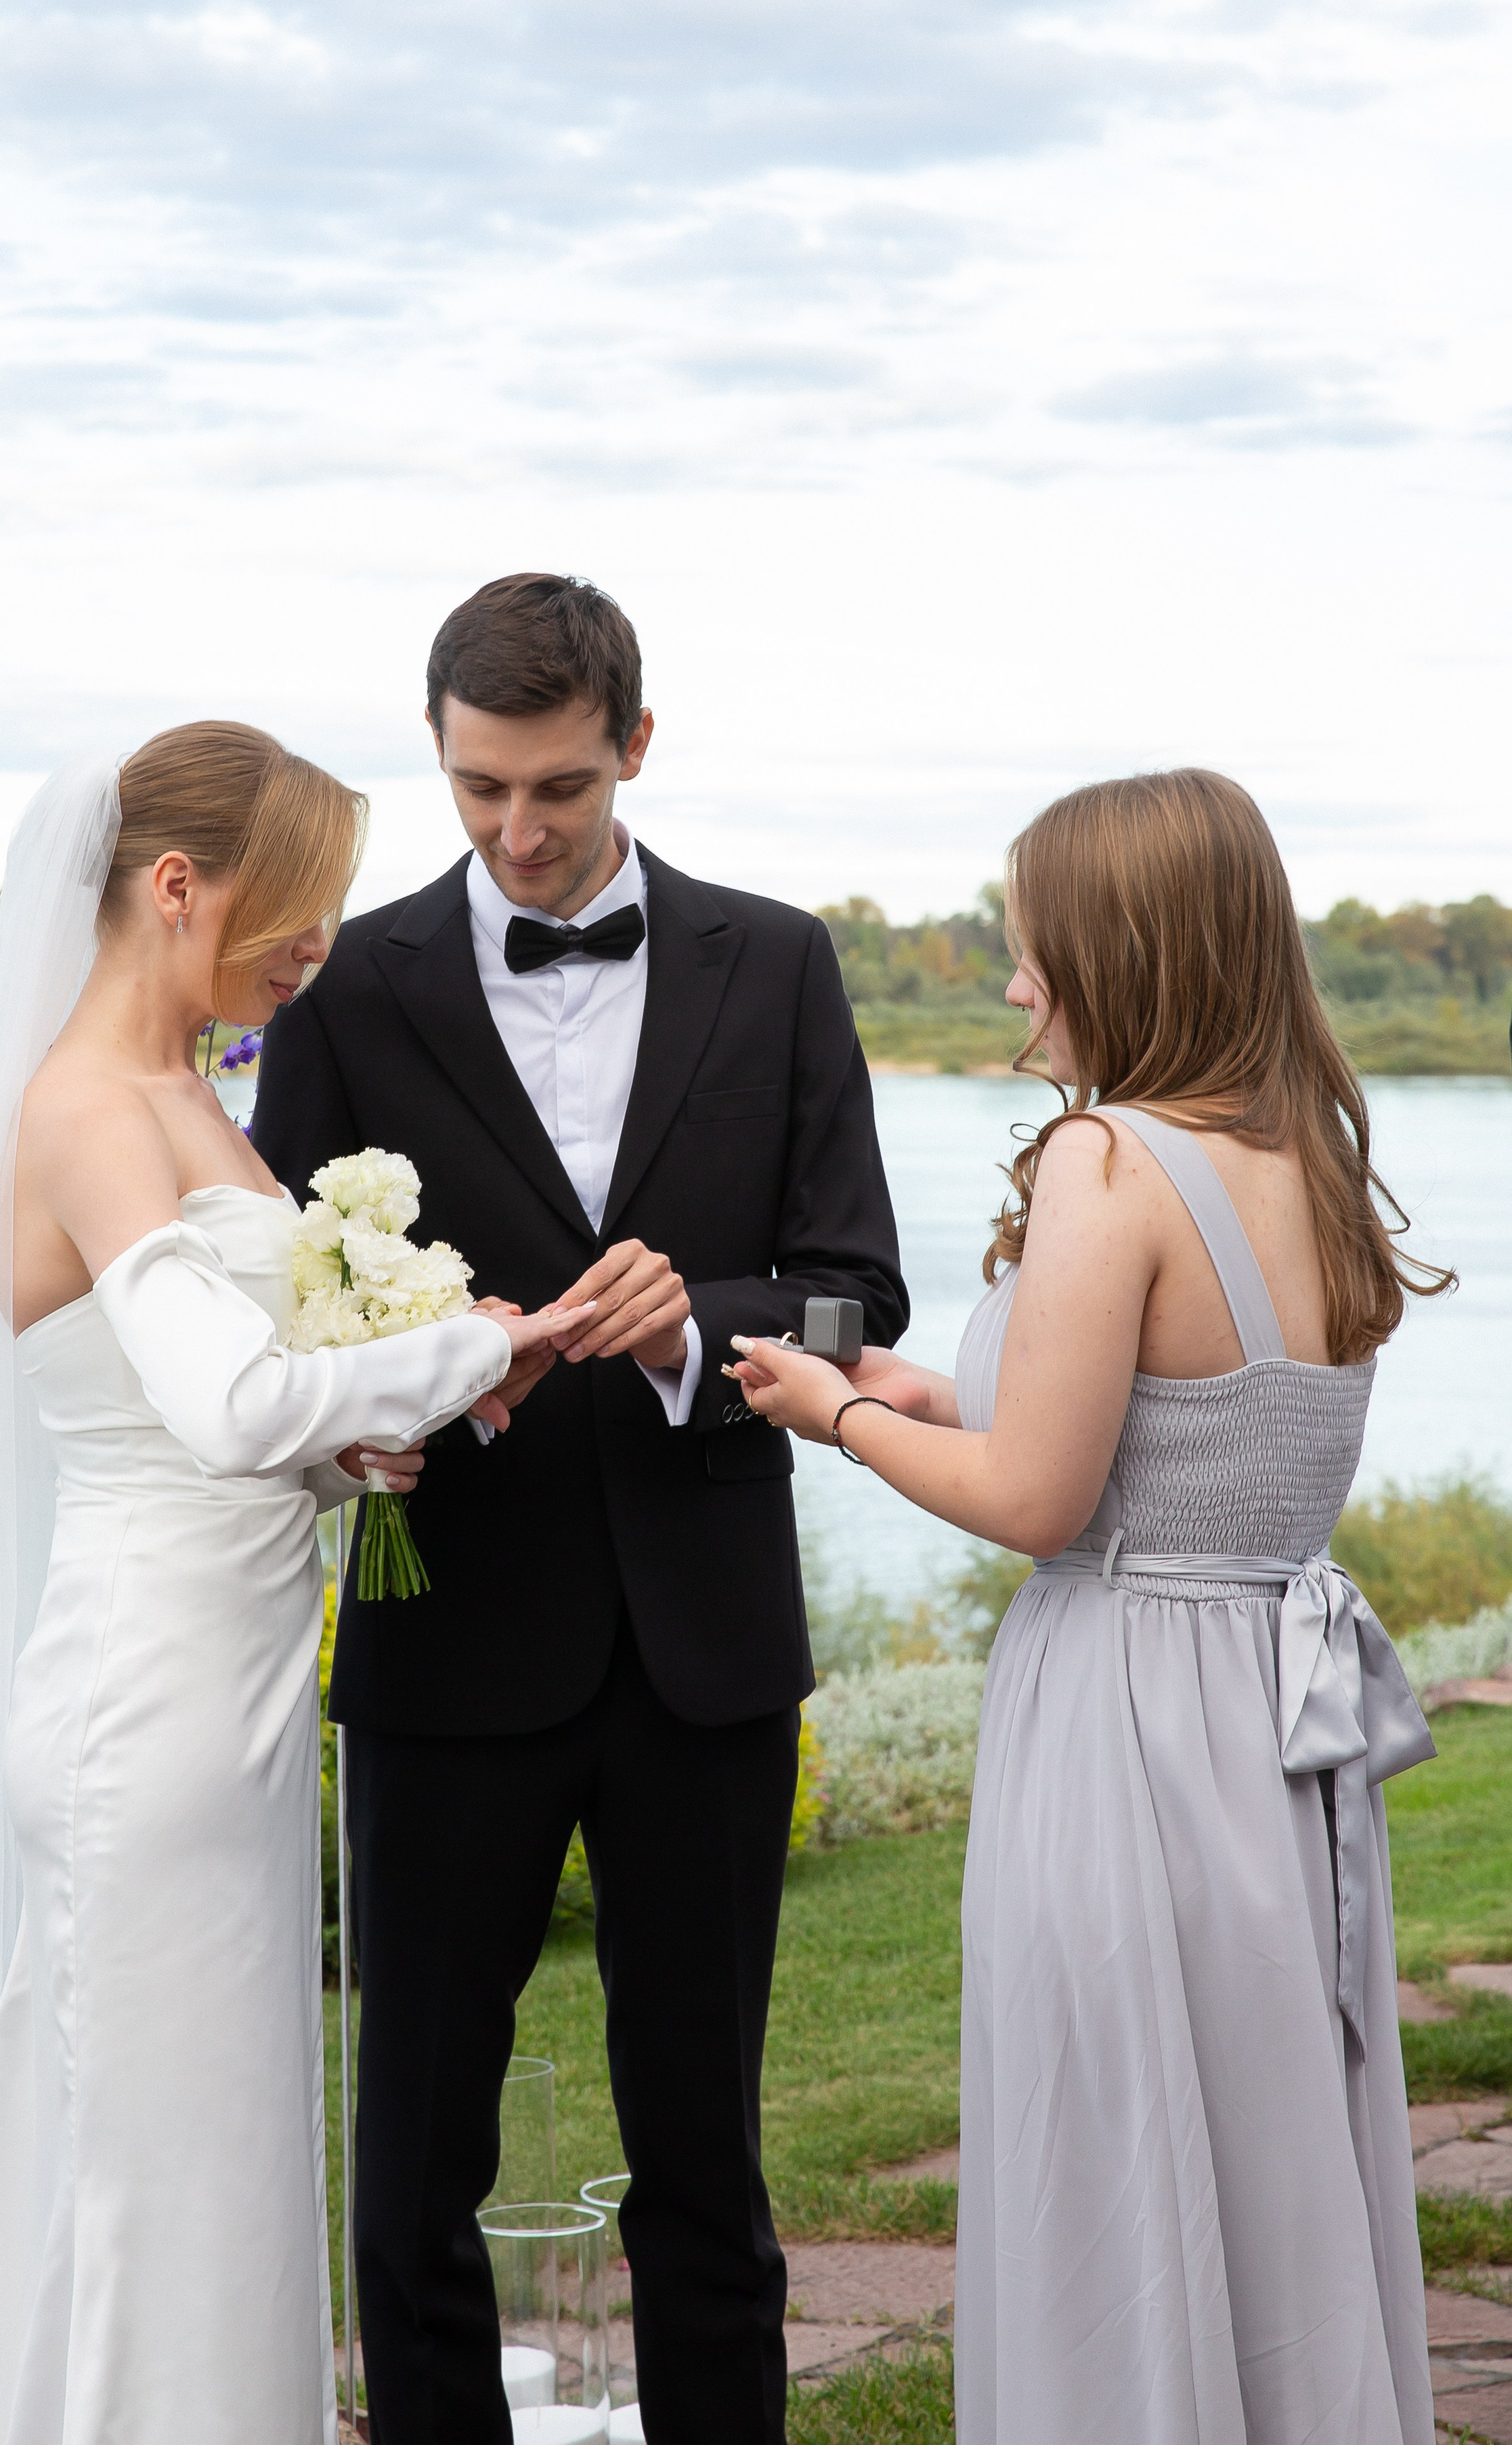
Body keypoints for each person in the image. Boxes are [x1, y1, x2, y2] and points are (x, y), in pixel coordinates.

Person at [0, 724, 586, 2445]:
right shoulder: (86, 1110)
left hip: (227, 1699)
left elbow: (230, 1414)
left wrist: (350, 1449)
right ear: (174, 887)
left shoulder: (187, 1101)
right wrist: (474, 1342)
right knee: (156, 2169)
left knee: (210, 2152)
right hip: (140, 1704)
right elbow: (224, 1408)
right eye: (297, 913)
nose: (318, 950)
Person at [249, 571, 909, 2445]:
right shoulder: (356, 982)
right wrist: (418, 1380)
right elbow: (285, 1308)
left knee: (706, 2155)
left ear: (636, 743)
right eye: (477, 791)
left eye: (555, 786)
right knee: (413, 2168)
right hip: (447, 1636)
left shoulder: (777, 961)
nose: (519, 834)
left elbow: (864, 1294)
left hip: (706, 1654)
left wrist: (706, 1319)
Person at [729, 769, 1449, 2445]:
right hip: (1271, 1726)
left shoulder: (1103, 1159)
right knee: (1266, 2129)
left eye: (1030, 947)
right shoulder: (1307, 1160)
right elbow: (1177, 1439)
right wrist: (922, 1393)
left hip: (1125, 1716)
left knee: (1114, 2137)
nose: (1010, 983)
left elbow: (1041, 1503)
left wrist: (828, 1415)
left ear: (1118, 950)